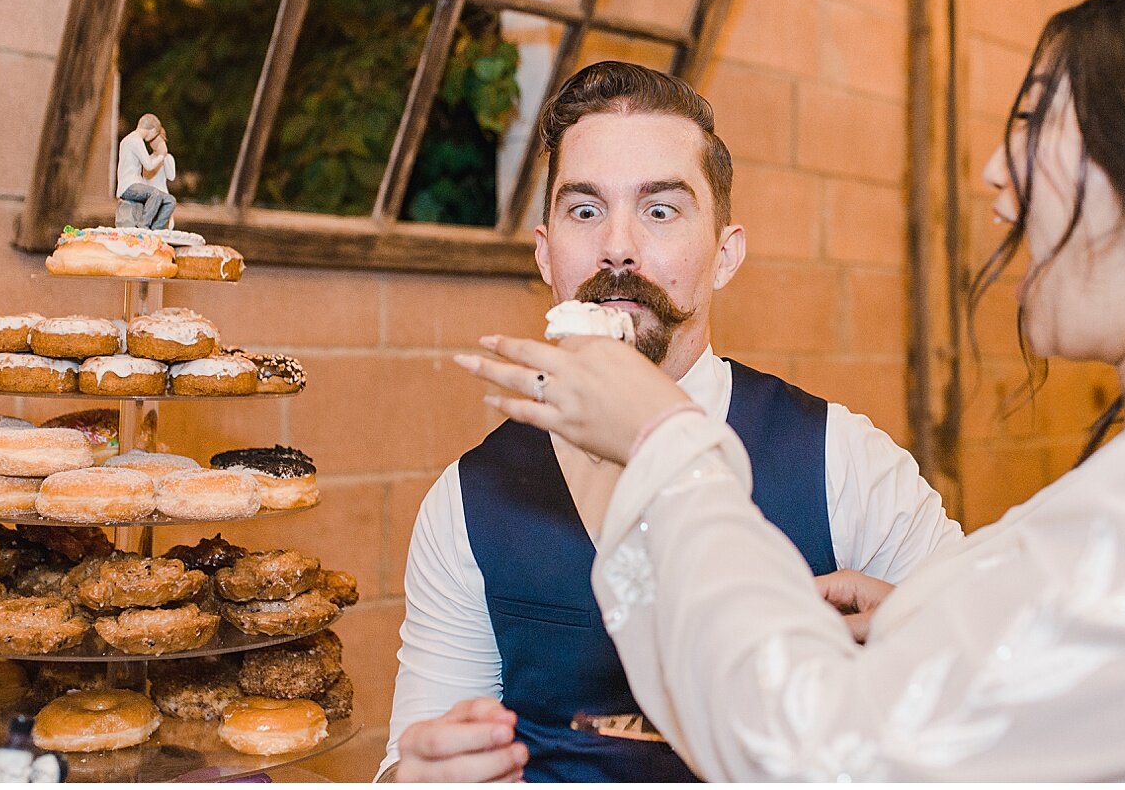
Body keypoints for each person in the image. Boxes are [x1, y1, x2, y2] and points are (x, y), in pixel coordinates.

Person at [463, 0, 1125, 780]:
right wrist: (928, 622)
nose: (993, 173)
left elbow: (831, 758)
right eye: (586, 208)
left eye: (1041, 124)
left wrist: (666, 449)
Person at [382, 62, 961, 781]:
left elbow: (989, 707)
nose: (617, 247)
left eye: (660, 210)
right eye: (585, 211)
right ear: (544, 252)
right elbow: (415, 751)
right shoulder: (468, 502)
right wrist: (418, 777)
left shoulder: (846, 462)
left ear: (724, 253)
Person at [116, 112, 177, 230]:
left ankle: (156, 229)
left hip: (135, 184)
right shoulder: (135, 140)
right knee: (155, 194)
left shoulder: (133, 140)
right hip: (129, 186)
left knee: (170, 200)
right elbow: (148, 166)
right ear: (153, 130)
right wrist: (162, 155)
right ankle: (143, 226)